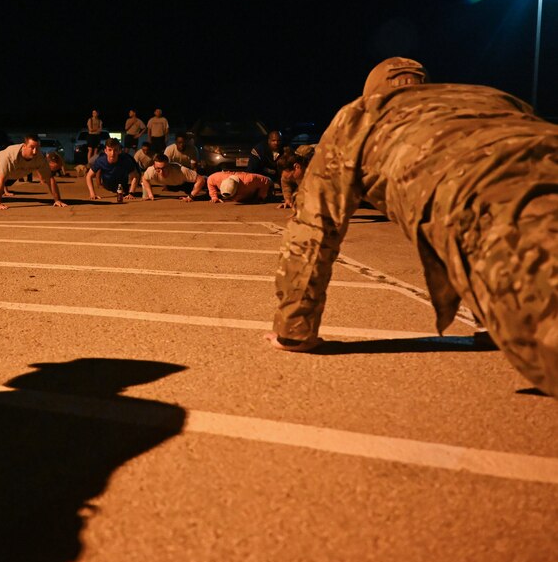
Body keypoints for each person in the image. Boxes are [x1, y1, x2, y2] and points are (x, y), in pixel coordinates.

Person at [270, 57, 558, 398]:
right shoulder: (491, 96)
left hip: (494, 212)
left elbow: (315, 229)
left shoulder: (359, 117)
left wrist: (294, 330)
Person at [0, 134, 67, 209]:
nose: (35, 151)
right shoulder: (10, 156)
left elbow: (49, 179)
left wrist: (57, 200)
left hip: (12, 176)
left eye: (37, 148)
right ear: (24, 146)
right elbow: (1, 179)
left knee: (7, 181)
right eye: (32, 147)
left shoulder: (40, 158)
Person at [141, 154, 205, 202]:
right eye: (158, 168)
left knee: (206, 194)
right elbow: (144, 179)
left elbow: (201, 179)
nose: (161, 172)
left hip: (187, 183)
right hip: (172, 185)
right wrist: (150, 194)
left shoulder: (181, 170)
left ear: (169, 165)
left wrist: (191, 197)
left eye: (164, 168)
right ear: (154, 166)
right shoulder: (151, 170)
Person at [195, 170, 272, 203]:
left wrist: (261, 196)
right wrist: (214, 197)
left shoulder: (249, 180)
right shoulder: (216, 178)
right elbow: (210, 181)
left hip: (263, 185)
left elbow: (266, 181)